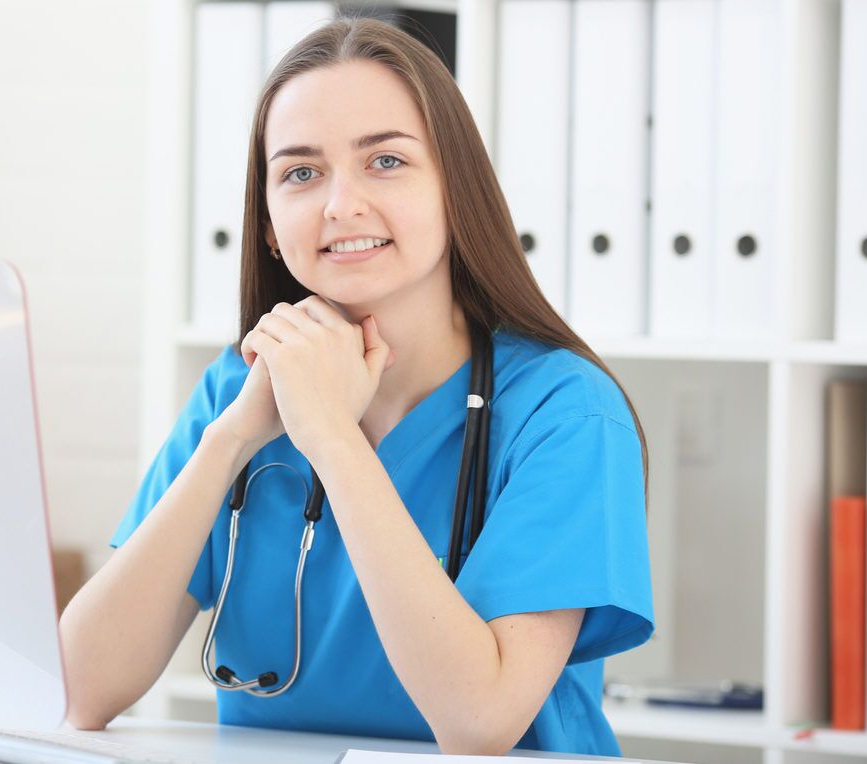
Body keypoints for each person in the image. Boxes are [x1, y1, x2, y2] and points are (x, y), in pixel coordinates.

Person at [60, 17, 653, 757]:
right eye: (301, 173)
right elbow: (83, 688)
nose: (340, 205)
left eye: (386, 162)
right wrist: (233, 438)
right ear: (272, 226)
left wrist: (333, 440)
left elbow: (480, 724)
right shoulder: (236, 389)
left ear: (455, 189)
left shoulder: (564, 413)